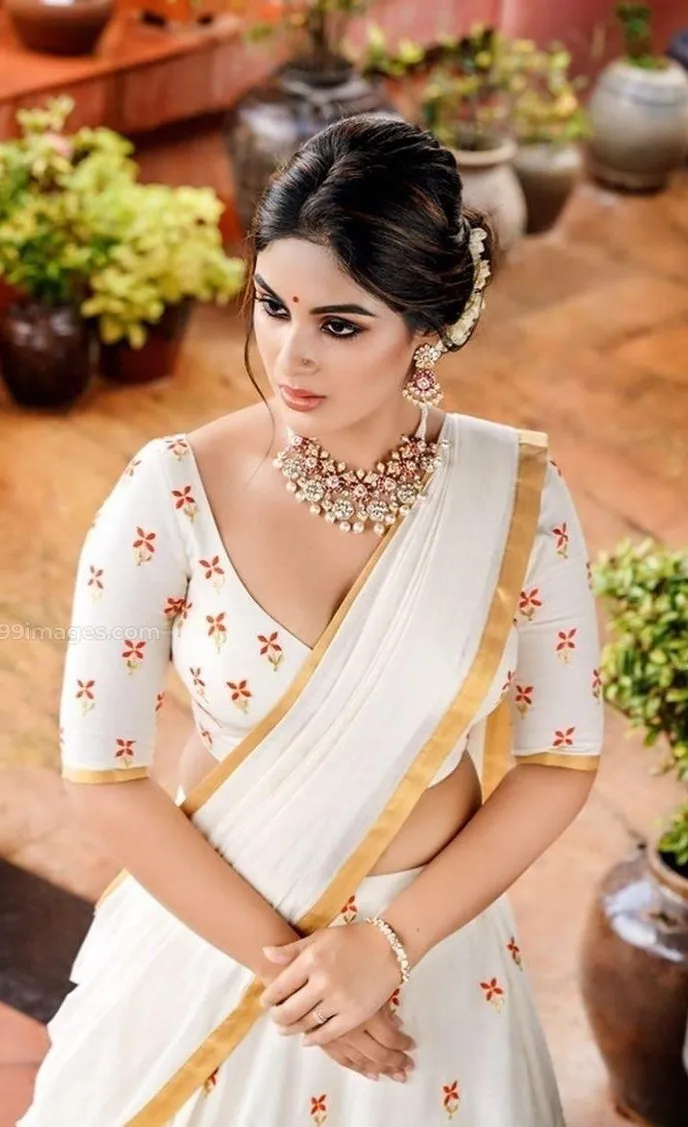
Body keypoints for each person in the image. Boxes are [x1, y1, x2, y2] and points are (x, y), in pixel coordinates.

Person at [19, 115, 604, 1127]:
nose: (290, 354)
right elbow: (104, 774)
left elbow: (559, 754)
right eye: (271, 304)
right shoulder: (169, 492)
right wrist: (303, 982)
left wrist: (385, 946)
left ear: (425, 328)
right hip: (213, 937)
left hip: (434, 946)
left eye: (341, 323)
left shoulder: (510, 493)